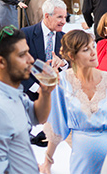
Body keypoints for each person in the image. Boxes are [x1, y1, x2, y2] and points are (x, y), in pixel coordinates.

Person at [0, 25, 56, 174]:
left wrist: (45, 93)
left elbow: (38, 117)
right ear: (1, 62)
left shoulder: (12, 89)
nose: (31, 59)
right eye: (22, 55)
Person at [40, 29, 107, 174]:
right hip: (82, 162)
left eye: (93, 46)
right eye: (86, 49)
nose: (93, 52)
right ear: (72, 56)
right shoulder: (63, 82)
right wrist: (47, 161)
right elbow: (57, 125)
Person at [20, 0, 67, 101]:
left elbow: (72, 64)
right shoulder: (26, 34)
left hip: (56, 97)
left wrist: (63, 63)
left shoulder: (65, 38)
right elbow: (17, 66)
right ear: (47, 16)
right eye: (59, 17)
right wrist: (38, 89)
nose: (63, 22)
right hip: (29, 96)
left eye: (65, 17)